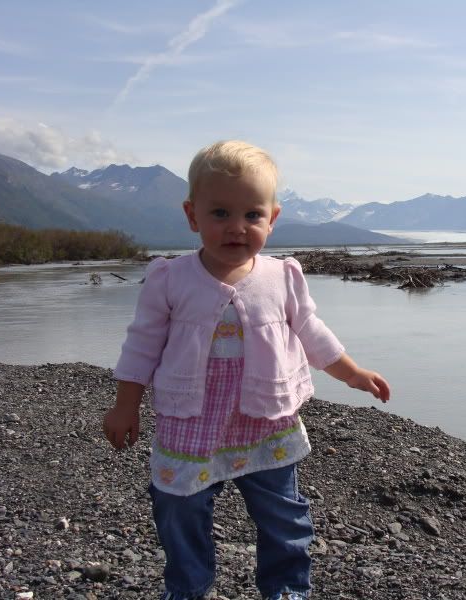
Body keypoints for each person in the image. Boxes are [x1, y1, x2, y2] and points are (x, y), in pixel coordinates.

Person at [103, 140, 390, 600]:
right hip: (190, 422)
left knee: (283, 513)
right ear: (192, 216)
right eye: (220, 214)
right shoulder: (170, 278)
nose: (237, 227)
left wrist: (352, 372)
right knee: (179, 509)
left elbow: (311, 332)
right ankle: (188, 587)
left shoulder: (283, 276)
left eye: (252, 215)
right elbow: (142, 345)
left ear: (272, 219)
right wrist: (124, 406)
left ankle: (287, 590)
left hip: (265, 418)